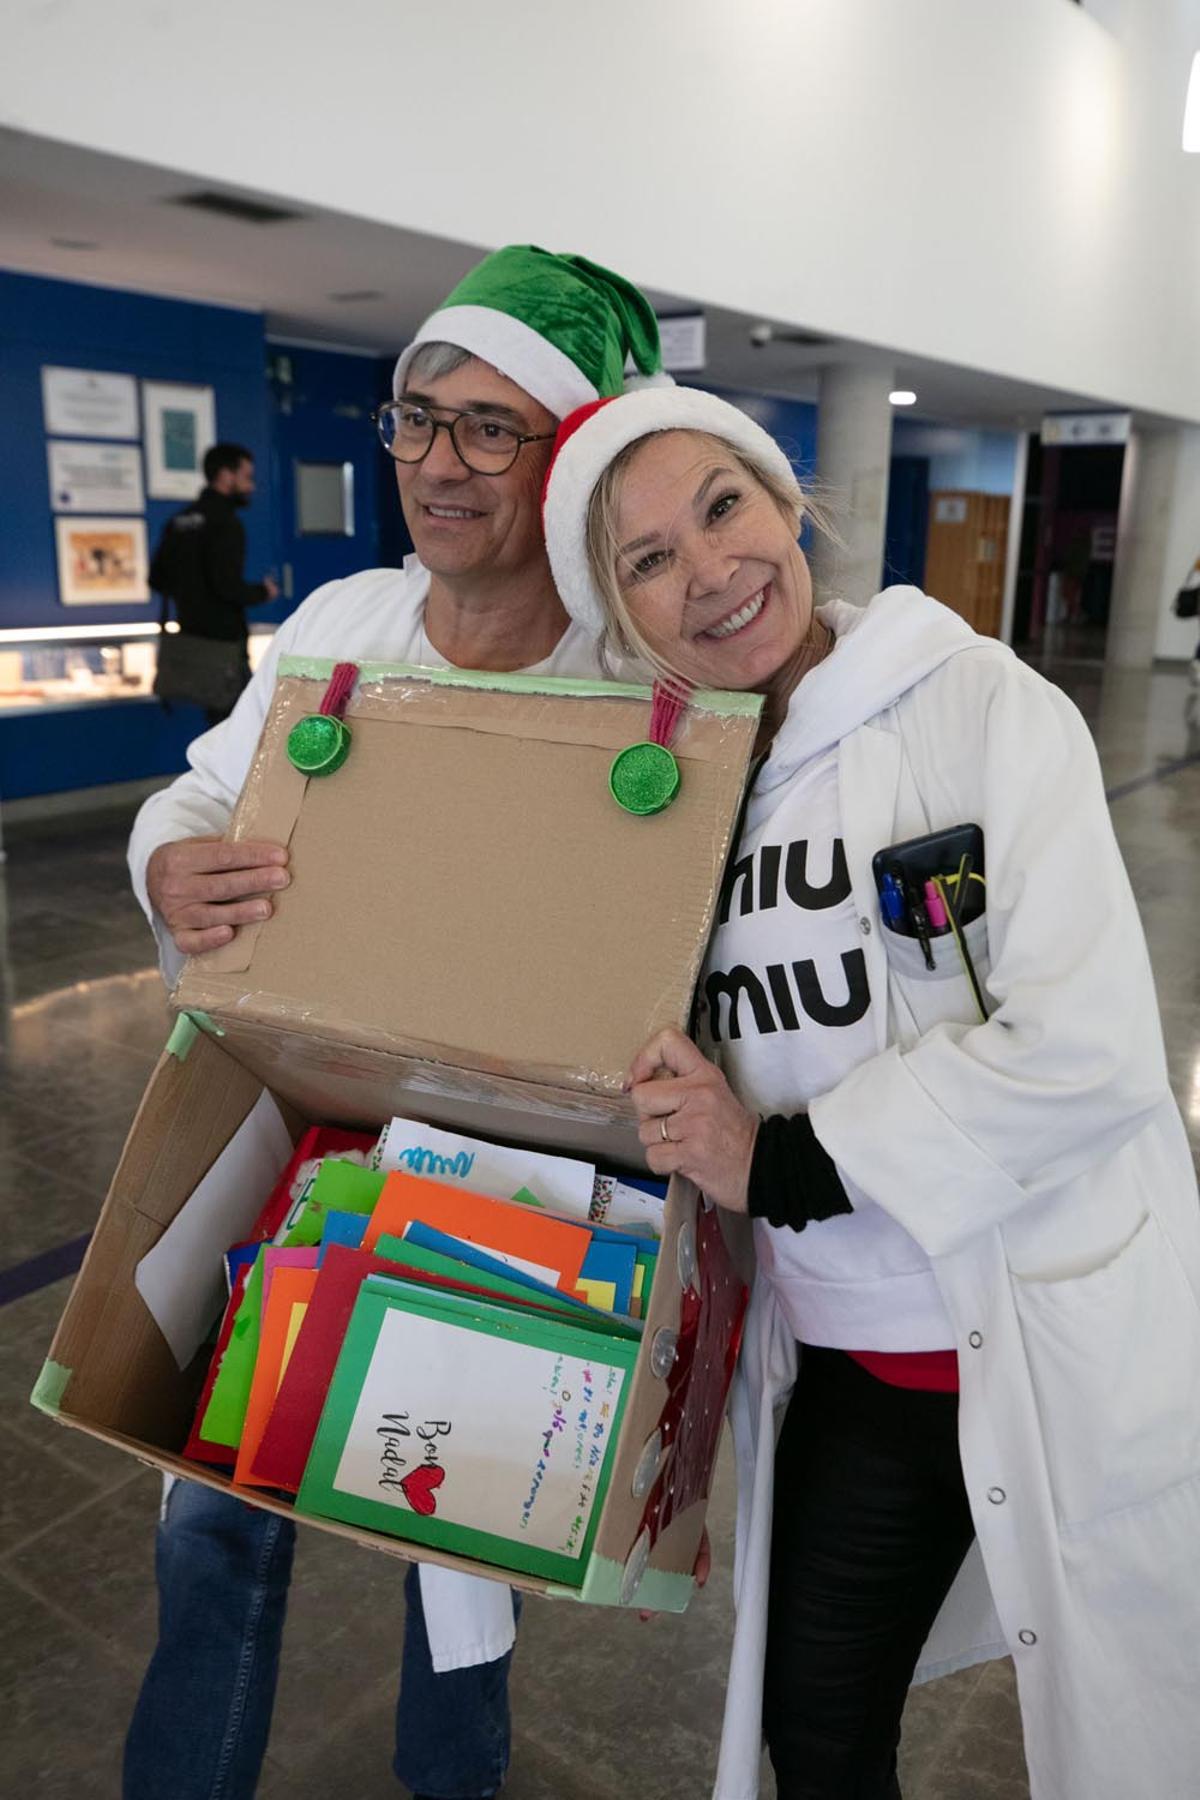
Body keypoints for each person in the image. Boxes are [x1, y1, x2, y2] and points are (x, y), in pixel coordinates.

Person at [541, 385, 1200, 1800]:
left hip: (1014, 1317)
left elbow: (1089, 1046)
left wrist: (776, 1162)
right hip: (849, 1339)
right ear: (622, 615)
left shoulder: (979, 707)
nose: (709, 569)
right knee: (820, 1721)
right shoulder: (680, 791)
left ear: (792, 506)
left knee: (1127, 1727)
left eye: (723, 507)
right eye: (648, 559)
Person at [124, 245, 666, 1800]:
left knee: (459, 1537)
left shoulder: (635, 680)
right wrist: (169, 860)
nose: (439, 462)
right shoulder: (347, 620)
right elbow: (201, 794)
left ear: (573, 456)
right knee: (216, 1507)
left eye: (492, 427)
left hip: (522, 1182)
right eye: (419, 418)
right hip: (303, 1137)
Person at [149, 442, 280, 726]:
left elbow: (156, 579)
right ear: (225, 475)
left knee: (211, 726)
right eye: (247, 477)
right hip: (224, 648)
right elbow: (227, 587)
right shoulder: (226, 523)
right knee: (240, 727)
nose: (251, 486)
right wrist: (263, 592)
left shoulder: (179, 521)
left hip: (191, 642)